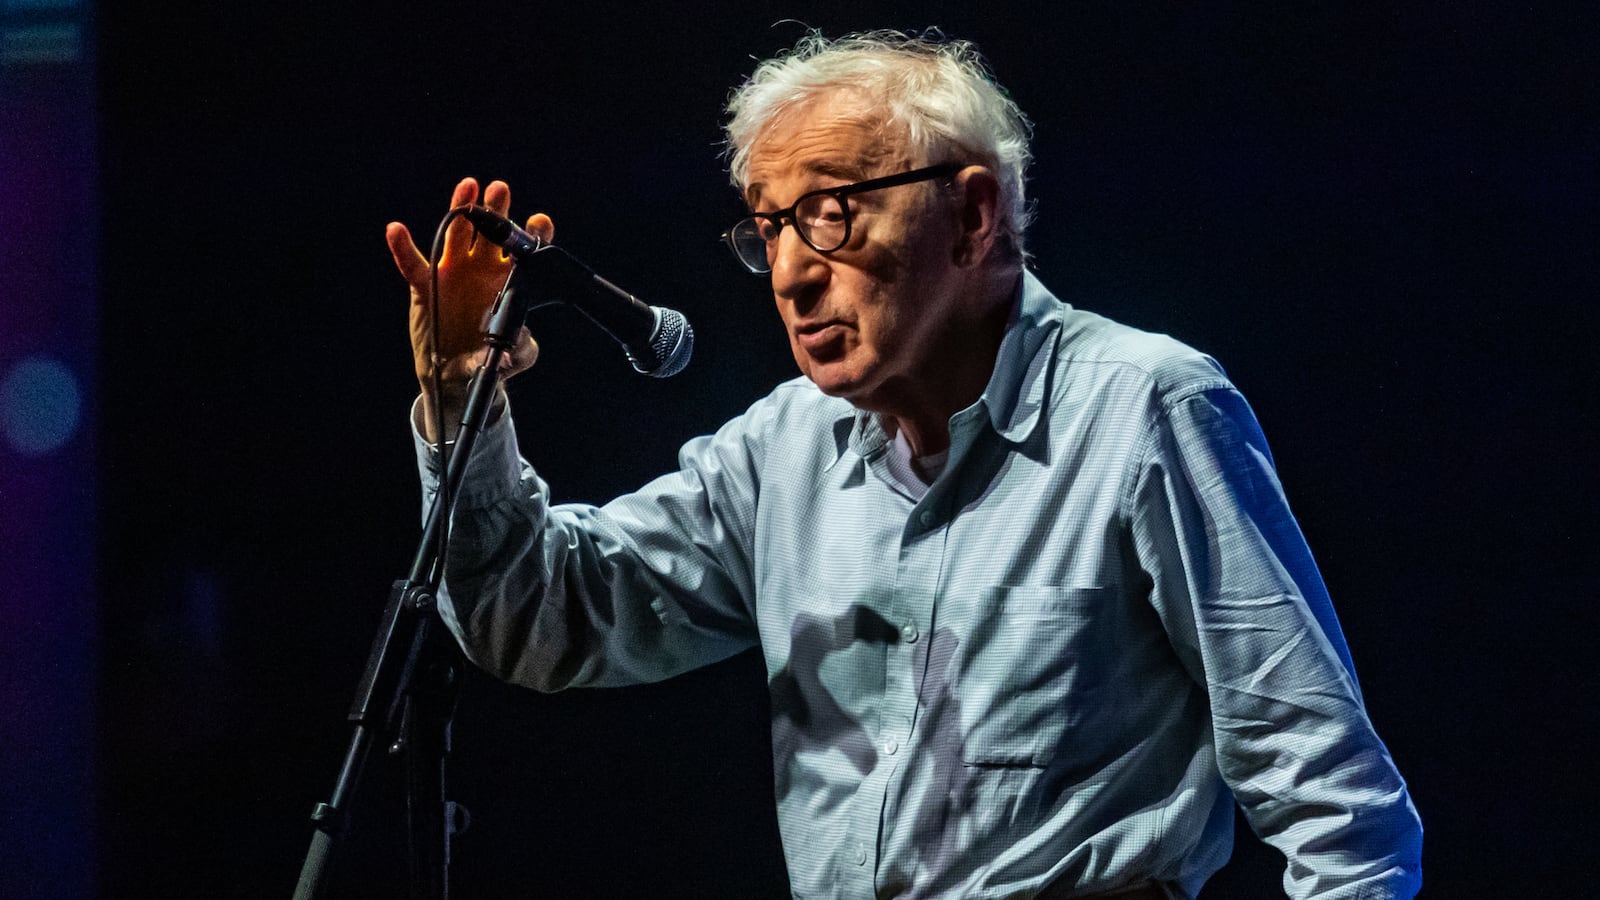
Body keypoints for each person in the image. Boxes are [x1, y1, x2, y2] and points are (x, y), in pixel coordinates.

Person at [384, 30, 1422, 900]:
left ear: (972, 215)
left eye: (829, 213)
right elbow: (539, 617)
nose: (789, 271)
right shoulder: (780, 450)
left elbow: (1333, 802)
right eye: (767, 227)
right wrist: (456, 391)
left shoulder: (1144, 408)